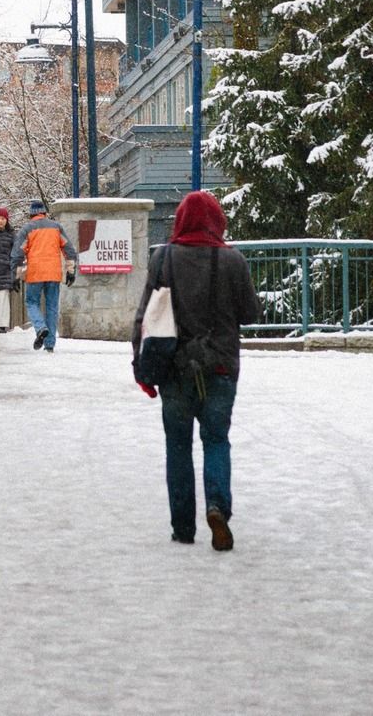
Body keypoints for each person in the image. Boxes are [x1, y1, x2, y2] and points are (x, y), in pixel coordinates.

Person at [133, 190, 263, 551]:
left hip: (173, 367)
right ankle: (218, 506)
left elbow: (145, 316)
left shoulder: (164, 258)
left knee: (178, 446)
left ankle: (182, 528)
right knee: (216, 440)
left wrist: (140, 367)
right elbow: (250, 313)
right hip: (220, 366)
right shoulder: (232, 260)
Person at [11, 200, 78, 352]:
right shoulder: (56, 227)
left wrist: (15, 275)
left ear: (31, 214)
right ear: (45, 213)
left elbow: (18, 254)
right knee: (52, 307)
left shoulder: (27, 229)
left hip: (35, 273)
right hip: (53, 273)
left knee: (31, 302)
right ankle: (50, 345)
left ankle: (40, 327)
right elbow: (69, 250)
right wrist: (71, 271)